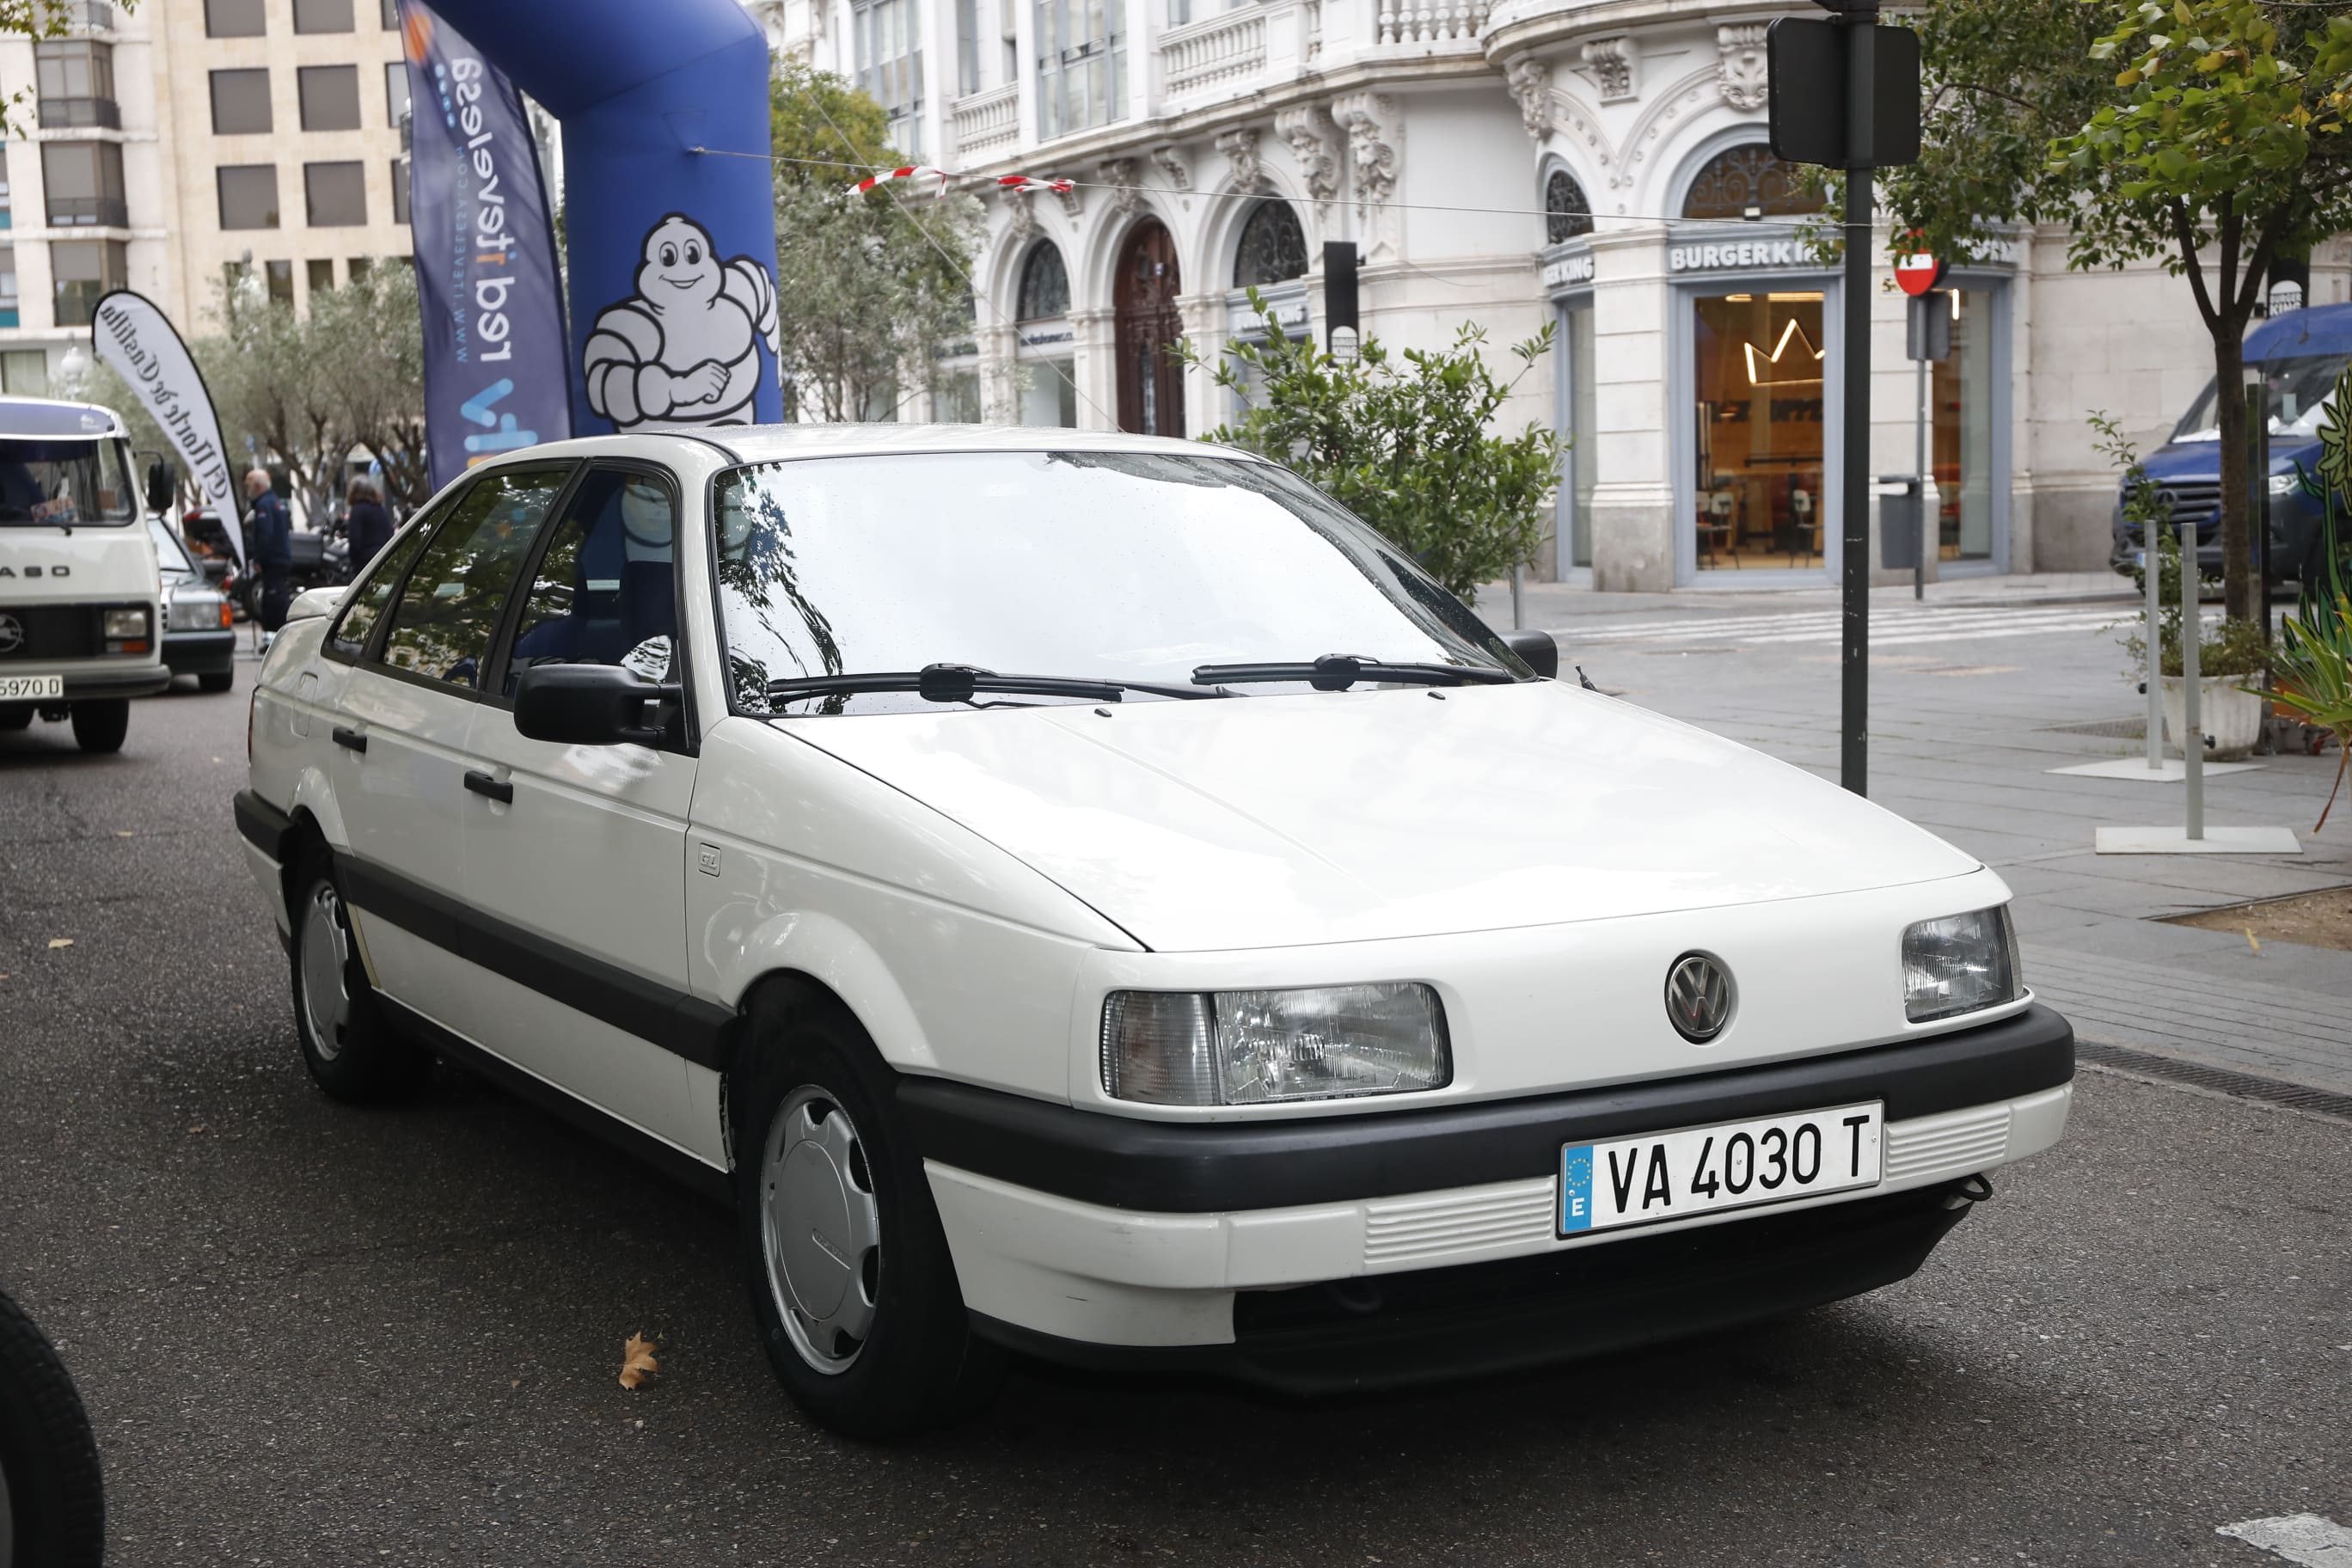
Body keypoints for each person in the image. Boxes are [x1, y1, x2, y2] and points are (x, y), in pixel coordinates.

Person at [246, 468, 293, 638]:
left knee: (272, 601)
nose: (248, 491)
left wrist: (258, 558)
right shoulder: (276, 502)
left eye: (249, 486)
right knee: (277, 596)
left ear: (257, 486)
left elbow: (265, 533)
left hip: (272, 560)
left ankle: (273, 636)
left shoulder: (264, 505)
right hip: (281, 557)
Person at [344, 478, 393, 572]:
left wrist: (353, 561)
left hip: (365, 565)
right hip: (384, 559)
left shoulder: (357, 510)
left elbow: (355, 541)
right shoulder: (379, 509)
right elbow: (389, 533)